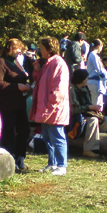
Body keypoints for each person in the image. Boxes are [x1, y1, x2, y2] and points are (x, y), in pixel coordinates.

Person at [29, 37, 70, 176]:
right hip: (46, 107)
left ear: (49, 49)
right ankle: (52, 164)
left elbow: (59, 85)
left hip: (54, 107)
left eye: (42, 48)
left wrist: (53, 101)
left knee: (57, 136)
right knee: (47, 137)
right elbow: (41, 81)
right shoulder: (48, 63)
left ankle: (61, 165)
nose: (40, 50)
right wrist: (36, 70)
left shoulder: (58, 63)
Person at [0, 38, 32, 171]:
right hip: (6, 104)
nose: (19, 51)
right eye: (16, 48)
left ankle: (20, 158)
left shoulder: (16, 62)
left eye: (20, 48)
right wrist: (17, 87)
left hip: (19, 104)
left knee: (24, 131)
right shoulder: (1, 62)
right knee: (8, 133)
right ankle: (9, 160)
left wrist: (26, 84)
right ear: (9, 48)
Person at [68, 69, 107, 158]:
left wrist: (94, 109)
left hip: (86, 113)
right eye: (86, 78)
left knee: (106, 120)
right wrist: (89, 107)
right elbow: (73, 110)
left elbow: (88, 104)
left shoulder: (85, 88)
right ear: (81, 79)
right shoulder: (71, 90)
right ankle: (89, 149)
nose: (87, 80)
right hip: (76, 118)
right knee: (93, 120)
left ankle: (105, 146)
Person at [86, 39, 107, 109]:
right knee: (96, 104)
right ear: (99, 46)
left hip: (94, 82)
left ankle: (97, 118)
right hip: (94, 82)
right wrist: (106, 80)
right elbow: (99, 70)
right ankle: (95, 118)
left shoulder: (92, 55)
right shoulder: (93, 55)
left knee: (97, 103)